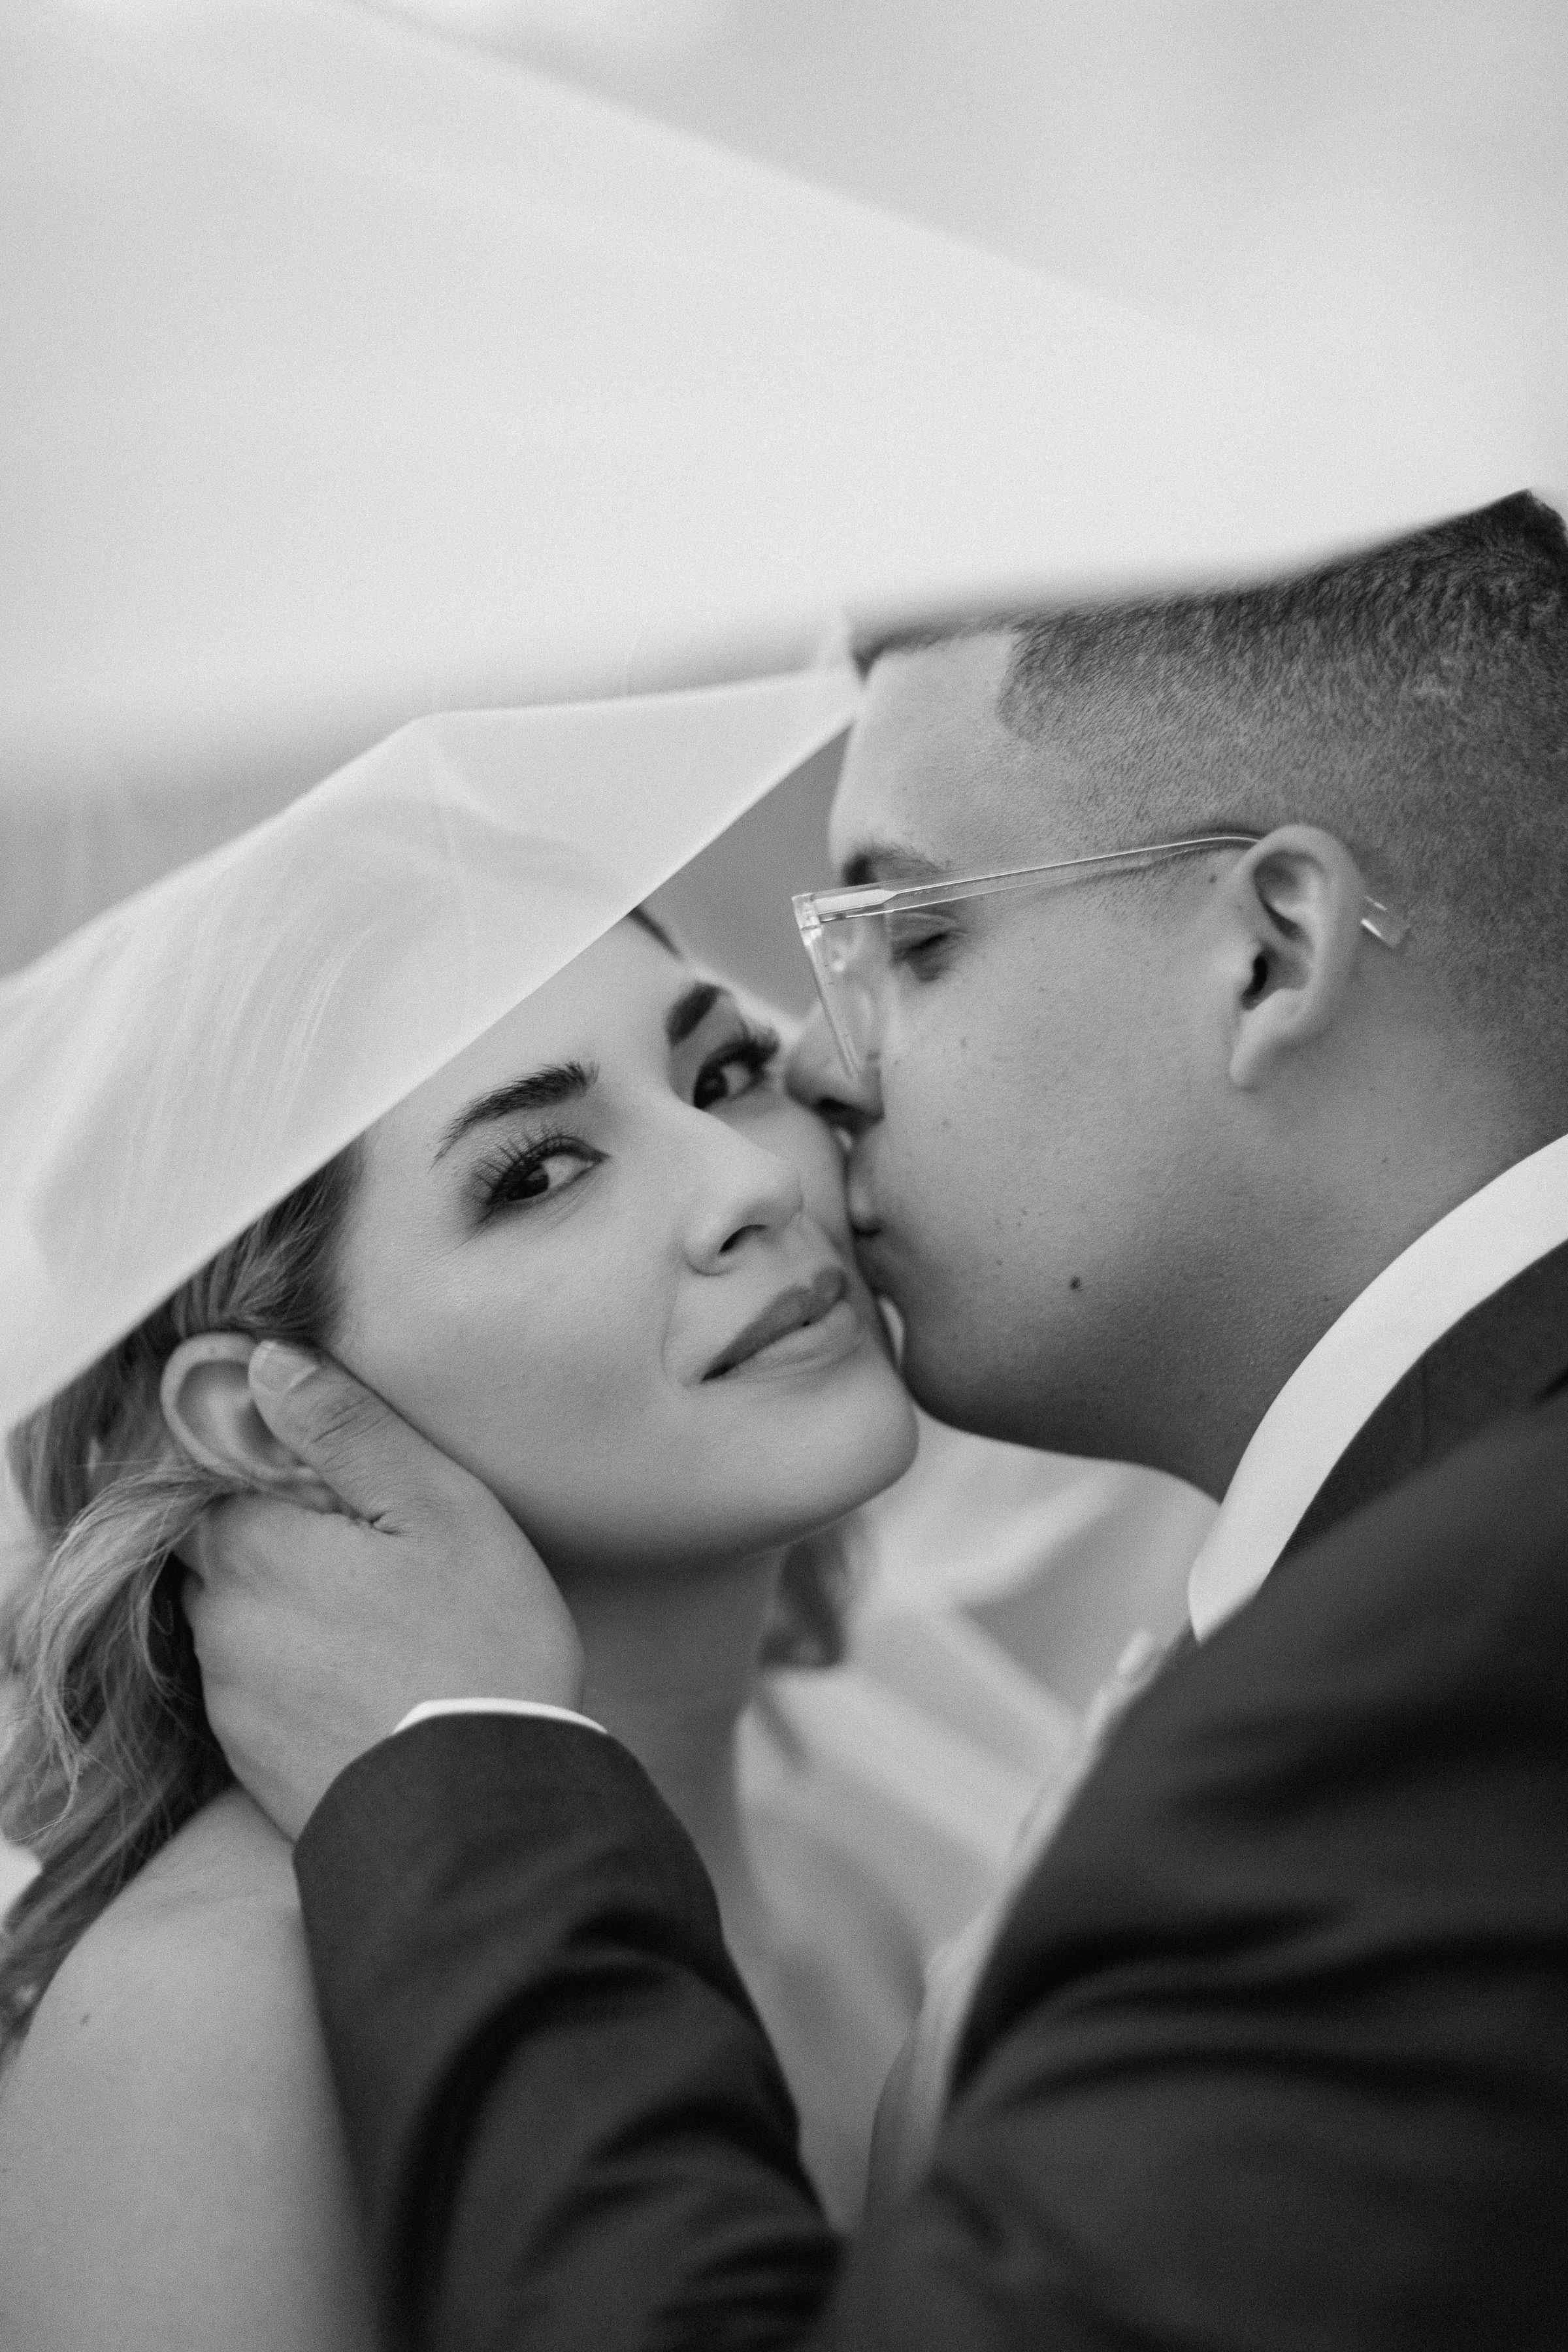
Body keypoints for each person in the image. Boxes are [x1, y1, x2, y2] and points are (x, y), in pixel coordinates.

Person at [182, 492, 1568, 2348]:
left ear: (1267, 954)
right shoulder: (200, 2014)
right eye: (536, 1172)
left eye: (912, 941)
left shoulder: (1462, 1665)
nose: (815, 1088)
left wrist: (461, 1773)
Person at [0, 903, 1090, 2348]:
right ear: (268, 1420)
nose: (747, 1181)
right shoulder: (214, 2016)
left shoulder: (846, 1902)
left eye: (720, 1077)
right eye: (542, 1174)